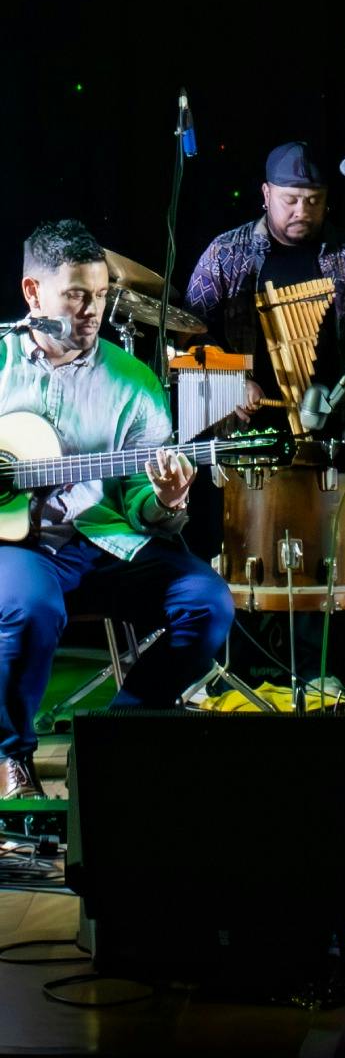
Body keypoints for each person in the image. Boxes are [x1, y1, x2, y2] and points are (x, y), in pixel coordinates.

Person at [1, 220, 234, 799]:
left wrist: (165, 499)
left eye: (101, 295)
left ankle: (117, 734)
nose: (92, 311)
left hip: (104, 543)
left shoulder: (134, 383)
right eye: (76, 295)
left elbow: (138, 503)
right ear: (33, 294)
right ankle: (11, 758)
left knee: (207, 602)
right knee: (30, 608)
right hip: (20, 550)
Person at [185, 141, 345, 433]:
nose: (302, 211)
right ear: (267, 193)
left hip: (343, 436)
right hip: (250, 438)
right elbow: (187, 337)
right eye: (291, 200)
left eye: (313, 201)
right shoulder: (225, 254)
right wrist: (230, 379)